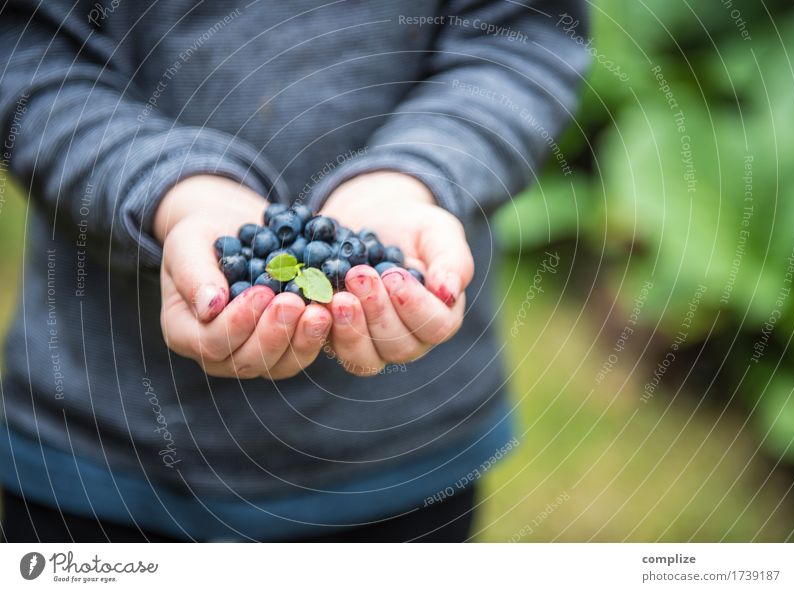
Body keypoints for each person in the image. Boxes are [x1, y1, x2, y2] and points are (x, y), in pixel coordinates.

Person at [0, 0, 586, 542]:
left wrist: (414, 173)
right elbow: (28, 56)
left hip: (396, 456)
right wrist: (171, 191)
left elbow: (522, 39)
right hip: (90, 443)